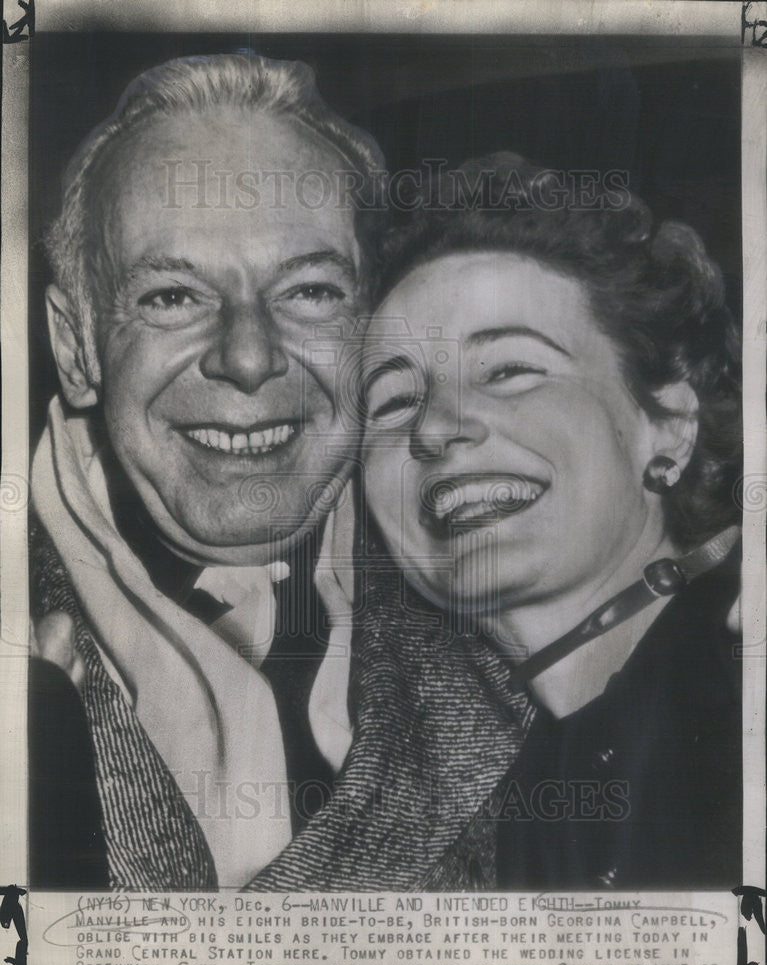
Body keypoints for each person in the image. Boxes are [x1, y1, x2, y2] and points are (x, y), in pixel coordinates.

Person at [30, 56, 532, 892]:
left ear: (374, 320)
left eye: (307, 291)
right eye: (171, 297)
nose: (249, 357)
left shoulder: (520, 634)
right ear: (76, 345)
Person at [360, 153, 742, 889]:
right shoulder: (507, 794)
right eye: (393, 402)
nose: (434, 430)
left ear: (665, 425)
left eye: (507, 370)